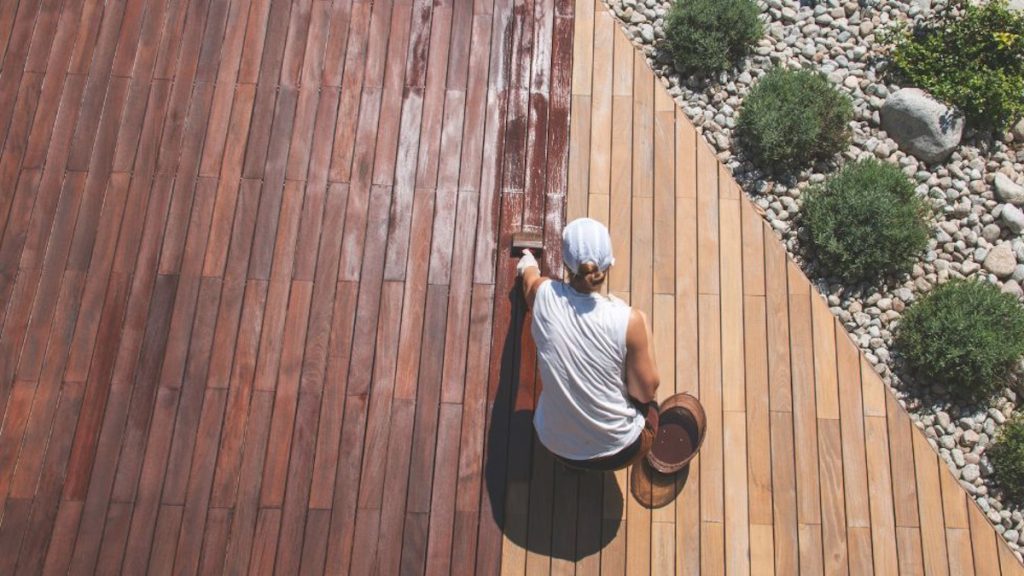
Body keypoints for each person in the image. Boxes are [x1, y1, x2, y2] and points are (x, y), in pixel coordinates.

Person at [516, 218, 660, 471]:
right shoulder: (630, 320)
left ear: (566, 264)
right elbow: (644, 393)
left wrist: (527, 261)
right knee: (651, 397)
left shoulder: (543, 296)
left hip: (556, 445)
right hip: (622, 450)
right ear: (608, 265)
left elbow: (529, 280)